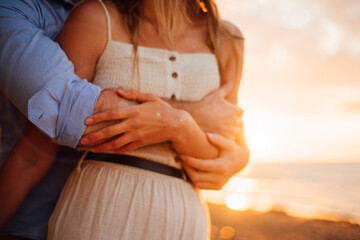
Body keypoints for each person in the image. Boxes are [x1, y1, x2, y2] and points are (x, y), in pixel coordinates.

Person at [0, 0, 248, 239]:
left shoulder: (226, 39)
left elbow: (217, 160)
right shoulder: (94, 17)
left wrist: (181, 127)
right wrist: (182, 120)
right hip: (97, 212)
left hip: (184, 220)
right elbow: (34, 153)